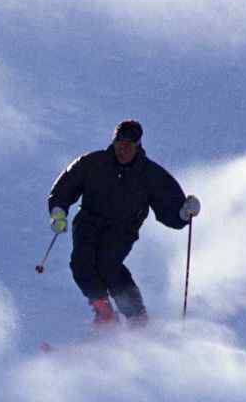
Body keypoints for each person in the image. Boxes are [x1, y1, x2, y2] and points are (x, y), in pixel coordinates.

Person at [47, 119, 199, 326]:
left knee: (108, 263)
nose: (123, 150)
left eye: (129, 146)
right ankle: (104, 313)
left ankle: (136, 315)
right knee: (81, 263)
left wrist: (184, 213)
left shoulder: (150, 175)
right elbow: (65, 187)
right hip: (88, 223)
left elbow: (170, 209)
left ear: (138, 146)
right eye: (120, 144)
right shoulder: (93, 163)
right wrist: (58, 212)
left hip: (122, 229)